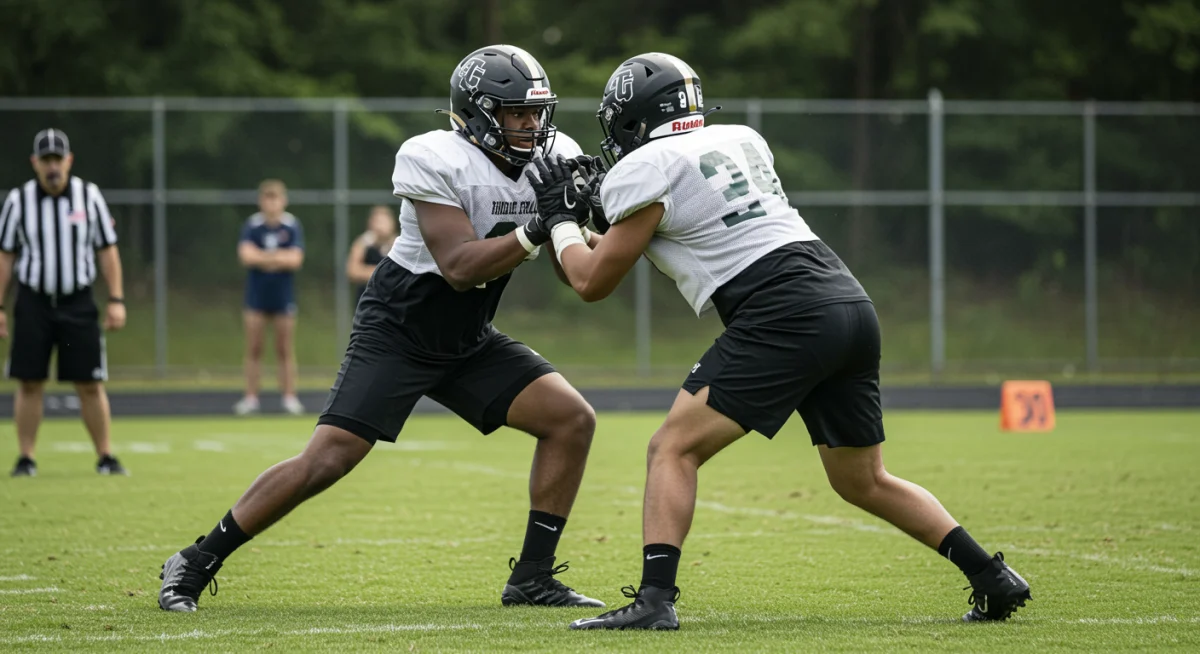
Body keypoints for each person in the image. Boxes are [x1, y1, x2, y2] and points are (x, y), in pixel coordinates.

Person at [522, 53, 1032, 630]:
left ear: (633, 122)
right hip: (846, 300)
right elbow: (647, 235)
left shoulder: (648, 168)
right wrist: (580, 218)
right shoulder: (741, 138)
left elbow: (590, 282)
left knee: (672, 448)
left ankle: (654, 601)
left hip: (781, 309)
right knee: (862, 479)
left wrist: (560, 221)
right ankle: (991, 575)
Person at [158, 45, 603, 613]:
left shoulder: (556, 153)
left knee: (571, 420)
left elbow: (573, 275)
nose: (532, 125)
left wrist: (577, 224)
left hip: (468, 333)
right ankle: (195, 561)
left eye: (538, 112)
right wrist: (543, 225)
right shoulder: (431, 155)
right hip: (401, 323)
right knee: (329, 457)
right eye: (516, 112)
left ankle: (532, 578)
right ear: (476, 112)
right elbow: (460, 267)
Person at [0, 128, 129, 477]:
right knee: (29, 380)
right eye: (46, 160)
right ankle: (26, 458)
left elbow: (107, 250)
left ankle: (105, 456)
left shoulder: (89, 197)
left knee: (89, 381)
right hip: (33, 301)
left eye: (58, 159)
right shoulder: (18, 200)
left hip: (77, 301)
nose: (52, 166)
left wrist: (116, 298)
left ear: (69, 161)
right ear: (35, 163)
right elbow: (6, 257)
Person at [233, 180, 305, 416]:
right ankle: (251, 398)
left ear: (283, 201)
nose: (271, 203)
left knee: (284, 348)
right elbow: (245, 256)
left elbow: (295, 260)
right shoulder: (252, 226)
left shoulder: (292, 225)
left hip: (283, 296)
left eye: (276, 198)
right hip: (256, 296)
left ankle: (289, 397)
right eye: (267, 198)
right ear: (261, 201)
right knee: (254, 348)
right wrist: (276, 257)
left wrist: (262, 257)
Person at [346, 205, 399, 303]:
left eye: (384, 221)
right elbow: (352, 271)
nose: (381, 226)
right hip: (368, 303)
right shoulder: (363, 244)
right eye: (378, 221)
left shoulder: (399, 245)